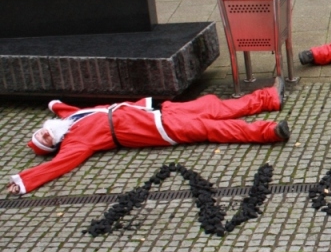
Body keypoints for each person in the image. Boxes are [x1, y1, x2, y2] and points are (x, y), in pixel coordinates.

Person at [7, 80, 290, 195]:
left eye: (41, 132)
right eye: (46, 140)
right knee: (215, 128)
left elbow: (60, 108)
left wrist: (54, 106)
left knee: (215, 105)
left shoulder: (70, 118)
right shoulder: (74, 142)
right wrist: (24, 181)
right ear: (54, 144)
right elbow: (60, 165)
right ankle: (268, 132)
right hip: (160, 129)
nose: (45, 134)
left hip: (160, 111)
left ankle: (268, 98)